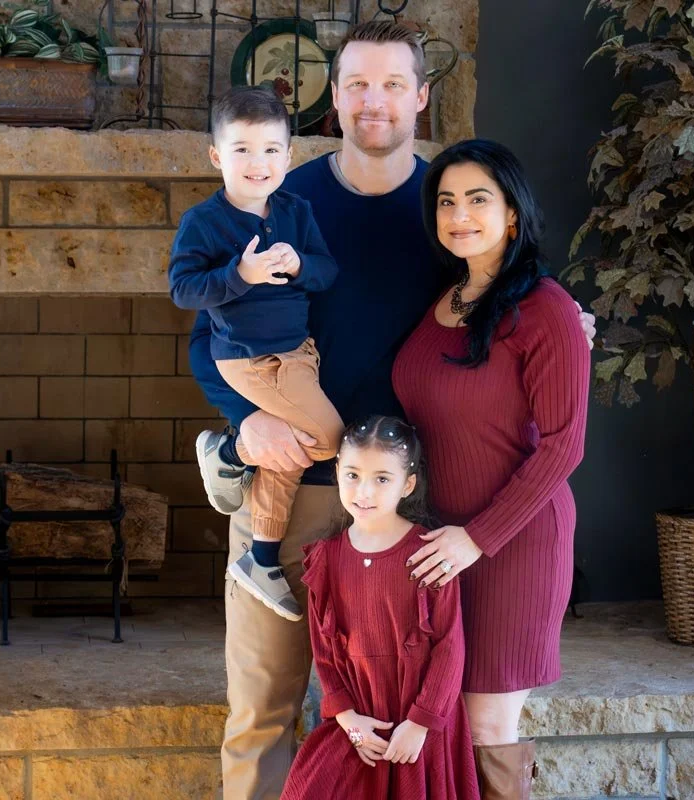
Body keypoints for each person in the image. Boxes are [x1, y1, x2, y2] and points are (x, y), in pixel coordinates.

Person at [187, 20, 596, 800]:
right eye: (358, 86)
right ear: (334, 99)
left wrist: (565, 313)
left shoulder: (444, 210)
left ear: (422, 97)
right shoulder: (280, 198)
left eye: (393, 85)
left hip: (416, 509)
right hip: (295, 490)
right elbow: (210, 338)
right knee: (263, 709)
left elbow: (506, 294)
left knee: (412, 721)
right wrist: (246, 423)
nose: (375, 103)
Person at [394, 139, 591, 799]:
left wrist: (476, 538)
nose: (461, 215)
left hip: (511, 546)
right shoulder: (441, 299)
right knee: (440, 715)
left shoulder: (548, 311)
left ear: (513, 213)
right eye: (447, 201)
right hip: (439, 546)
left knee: (487, 723)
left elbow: (563, 447)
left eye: (479, 199)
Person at [168, 86, 342, 622]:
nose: (258, 162)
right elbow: (183, 289)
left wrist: (298, 265)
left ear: (289, 156)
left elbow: (327, 273)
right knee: (330, 439)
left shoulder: (296, 211)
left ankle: (262, 557)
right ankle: (229, 454)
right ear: (217, 157)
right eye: (242, 149)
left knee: (286, 455)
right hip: (252, 360)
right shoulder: (205, 222)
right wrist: (239, 275)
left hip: (297, 354)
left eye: (270, 149)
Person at [280, 415, 480, 800]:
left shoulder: (431, 554)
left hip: (419, 724)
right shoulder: (328, 558)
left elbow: (450, 648)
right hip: (360, 722)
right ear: (337, 471)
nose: (364, 491)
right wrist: (348, 720)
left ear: (408, 484)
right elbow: (324, 653)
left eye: (382, 479)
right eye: (352, 474)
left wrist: (420, 724)